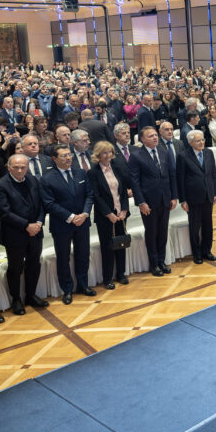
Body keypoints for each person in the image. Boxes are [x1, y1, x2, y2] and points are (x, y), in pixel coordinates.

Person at [0, 154, 48, 318]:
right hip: (15, 234)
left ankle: (30, 296)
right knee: (15, 268)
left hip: (35, 232)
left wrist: (38, 222)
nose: (19, 170)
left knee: (34, 264)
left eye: (23, 167)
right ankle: (16, 299)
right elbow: (4, 212)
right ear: (8, 167)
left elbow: (41, 204)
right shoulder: (0, 185)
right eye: (15, 167)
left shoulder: (32, 180)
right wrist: (26, 226)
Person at [40, 144, 95, 305]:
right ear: (55, 159)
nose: (68, 158)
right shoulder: (47, 179)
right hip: (62, 225)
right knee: (63, 258)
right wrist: (71, 217)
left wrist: (84, 214)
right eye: (64, 155)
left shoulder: (80, 172)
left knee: (83, 254)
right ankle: (67, 290)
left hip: (82, 222)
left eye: (69, 155)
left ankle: (83, 285)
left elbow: (89, 195)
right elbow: (49, 204)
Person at [129, 126, 178, 277]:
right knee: (152, 232)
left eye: (156, 135)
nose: (155, 138)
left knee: (163, 232)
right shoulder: (136, 156)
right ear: (142, 139)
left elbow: (171, 175)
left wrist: (174, 196)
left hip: (165, 199)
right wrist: (141, 202)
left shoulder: (163, 152)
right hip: (148, 202)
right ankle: (154, 263)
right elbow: (135, 182)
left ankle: (162, 261)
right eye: (150, 136)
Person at [87, 141, 130, 289]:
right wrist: (108, 213)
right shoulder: (93, 172)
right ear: (98, 155)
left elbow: (123, 190)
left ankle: (121, 274)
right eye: (104, 153)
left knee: (121, 244)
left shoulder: (117, 168)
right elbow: (96, 196)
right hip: (105, 217)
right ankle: (107, 278)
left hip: (121, 215)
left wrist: (124, 209)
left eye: (110, 152)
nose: (108, 155)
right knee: (108, 247)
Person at [177, 130, 216, 264]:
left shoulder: (208, 153)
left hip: (208, 195)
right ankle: (197, 253)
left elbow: (213, 174)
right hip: (193, 198)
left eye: (202, 140)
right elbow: (180, 180)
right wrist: (183, 200)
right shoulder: (183, 156)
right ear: (190, 142)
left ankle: (207, 250)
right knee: (195, 228)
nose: (201, 143)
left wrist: (215, 193)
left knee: (208, 225)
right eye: (197, 141)